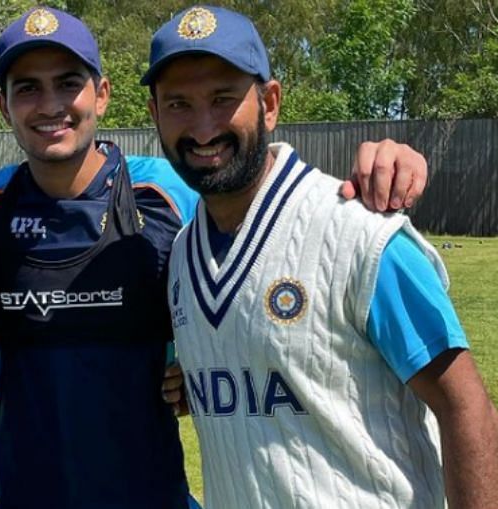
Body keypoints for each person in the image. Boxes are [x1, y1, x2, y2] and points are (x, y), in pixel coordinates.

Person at [0, 7, 430, 509]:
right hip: (22, 492)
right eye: (26, 88)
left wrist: (379, 163)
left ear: (102, 93)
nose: (49, 104)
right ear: (4, 107)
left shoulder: (169, 191)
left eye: (67, 81)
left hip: (153, 491)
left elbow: (269, 217)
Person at [145, 6, 498, 508]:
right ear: (155, 114)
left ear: (269, 103)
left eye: (223, 98)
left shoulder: (359, 232)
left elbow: (468, 411)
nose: (203, 127)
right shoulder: (183, 255)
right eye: (179, 103)